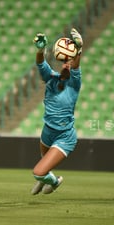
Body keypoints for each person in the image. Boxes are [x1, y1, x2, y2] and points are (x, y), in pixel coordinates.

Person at [30, 28, 83, 195]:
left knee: (38, 172)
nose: (67, 63)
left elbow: (76, 66)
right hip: (47, 131)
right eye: (65, 61)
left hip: (64, 136)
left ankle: (52, 180)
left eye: (70, 61)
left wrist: (79, 49)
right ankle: (49, 179)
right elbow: (40, 63)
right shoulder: (51, 78)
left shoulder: (74, 84)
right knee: (43, 167)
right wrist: (40, 50)